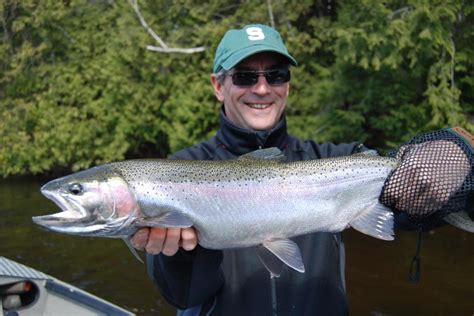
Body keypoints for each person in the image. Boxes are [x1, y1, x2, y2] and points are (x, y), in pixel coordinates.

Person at [131, 24, 472, 315]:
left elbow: (414, 210)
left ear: (288, 86)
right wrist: (177, 256)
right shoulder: (175, 174)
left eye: (276, 75)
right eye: (245, 76)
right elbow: (183, 297)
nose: (262, 88)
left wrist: (458, 156)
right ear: (218, 86)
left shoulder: (336, 159)